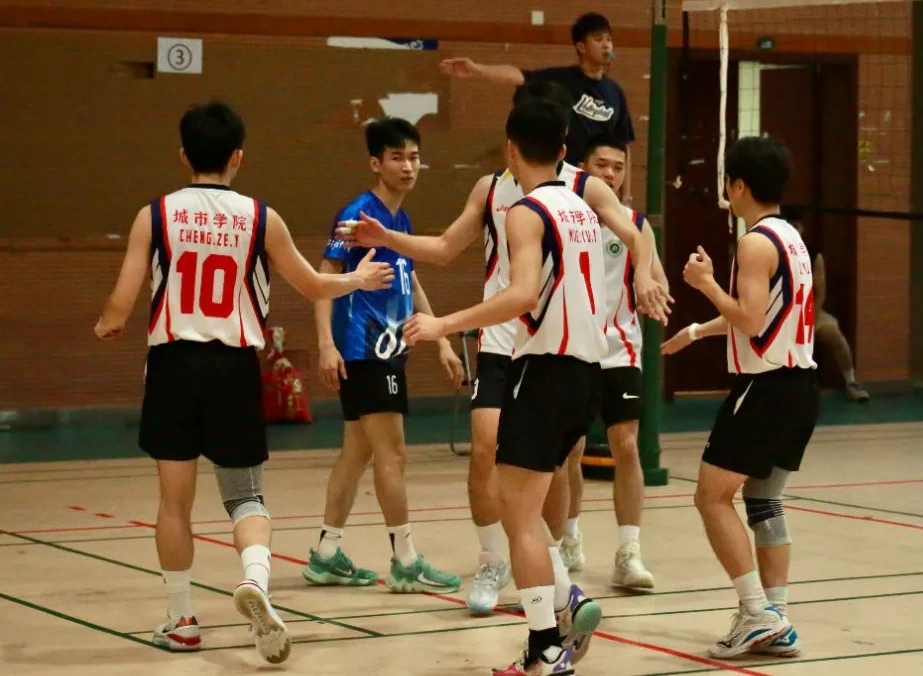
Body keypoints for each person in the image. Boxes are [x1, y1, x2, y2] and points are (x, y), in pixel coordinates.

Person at [336, 83, 669, 616]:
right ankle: (498, 561)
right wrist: (388, 238)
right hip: (502, 340)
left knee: (547, 471)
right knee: (486, 446)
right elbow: (446, 247)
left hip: (555, 345)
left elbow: (638, 232)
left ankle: (552, 578)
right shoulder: (493, 189)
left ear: (517, 145)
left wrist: (646, 273)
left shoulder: (580, 188)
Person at [93, 101, 395, 662]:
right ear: (238, 157)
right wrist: (358, 277)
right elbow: (312, 285)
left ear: (183, 154)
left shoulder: (154, 215)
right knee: (246, 496)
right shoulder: (261, 218)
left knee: (173, 503)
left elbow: (122, 300)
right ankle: (255, 581)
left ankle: (182, 620)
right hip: (233, 367)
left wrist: (107, 323)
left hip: (173, 365)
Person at [404, 97, 611, 675]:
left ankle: (546, 643)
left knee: (518, 517)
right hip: (587, 374)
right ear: (564, 150)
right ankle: (558, 618)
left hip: (545, 372)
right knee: (525, 508)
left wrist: (444, 324)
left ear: (510, 150)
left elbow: (520, 294)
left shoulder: (525, 210)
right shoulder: (580, 208)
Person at [660, 136, 819, 659]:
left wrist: (705, 283)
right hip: (800, 388)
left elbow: (749, 319)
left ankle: (756, 613)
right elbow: (768, 313)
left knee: (710, 497)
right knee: (764, 500)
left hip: (766, 389)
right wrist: (697, 331)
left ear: (738, 185)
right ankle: (777, 618)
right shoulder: (790, 237)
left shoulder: (754, 243)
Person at [302, 117, 463, 595]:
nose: (408, 166)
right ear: (376, 163)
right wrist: (326, 344)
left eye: (414, 157)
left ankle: (326, 554)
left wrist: (442, 338)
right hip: (364, 350)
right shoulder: (357, 216)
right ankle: (405, 561)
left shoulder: (400, 221)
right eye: (397, 157)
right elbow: (323, 275)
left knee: (357, 453)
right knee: (393, 453)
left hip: (389, 352)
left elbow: (411, 280)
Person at [561, 137, 668, 589]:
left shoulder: (636, 226)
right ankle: (568, 537)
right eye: (601, 165)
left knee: (626, 445)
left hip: (619, 350)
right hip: (571, 350)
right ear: (582, 169)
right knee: (570, 450)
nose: (609, 173)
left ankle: (629, 552)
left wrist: (651, 289)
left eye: (618, 167)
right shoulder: (562, 219)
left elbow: (658, 280)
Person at [439, 12, 635, 169]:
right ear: (581, 46)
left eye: (609, 39)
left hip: (598, 182)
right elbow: (518, 76)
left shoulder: (615, 92)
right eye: (599, 39)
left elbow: (623, 144)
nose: (607, 45)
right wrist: (476, 69)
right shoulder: (561, 79)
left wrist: (625, 194)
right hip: (563, 176)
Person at [781, 206, 869, 402]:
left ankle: (851, 382)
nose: (793, 230)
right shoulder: (771, 253)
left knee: (833, 333)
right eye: (789, 226)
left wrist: (808, 318)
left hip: (811, 311)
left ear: (802, 229)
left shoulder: (813, 255)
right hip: (782, 314)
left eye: (796, 226)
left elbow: (820, 292)